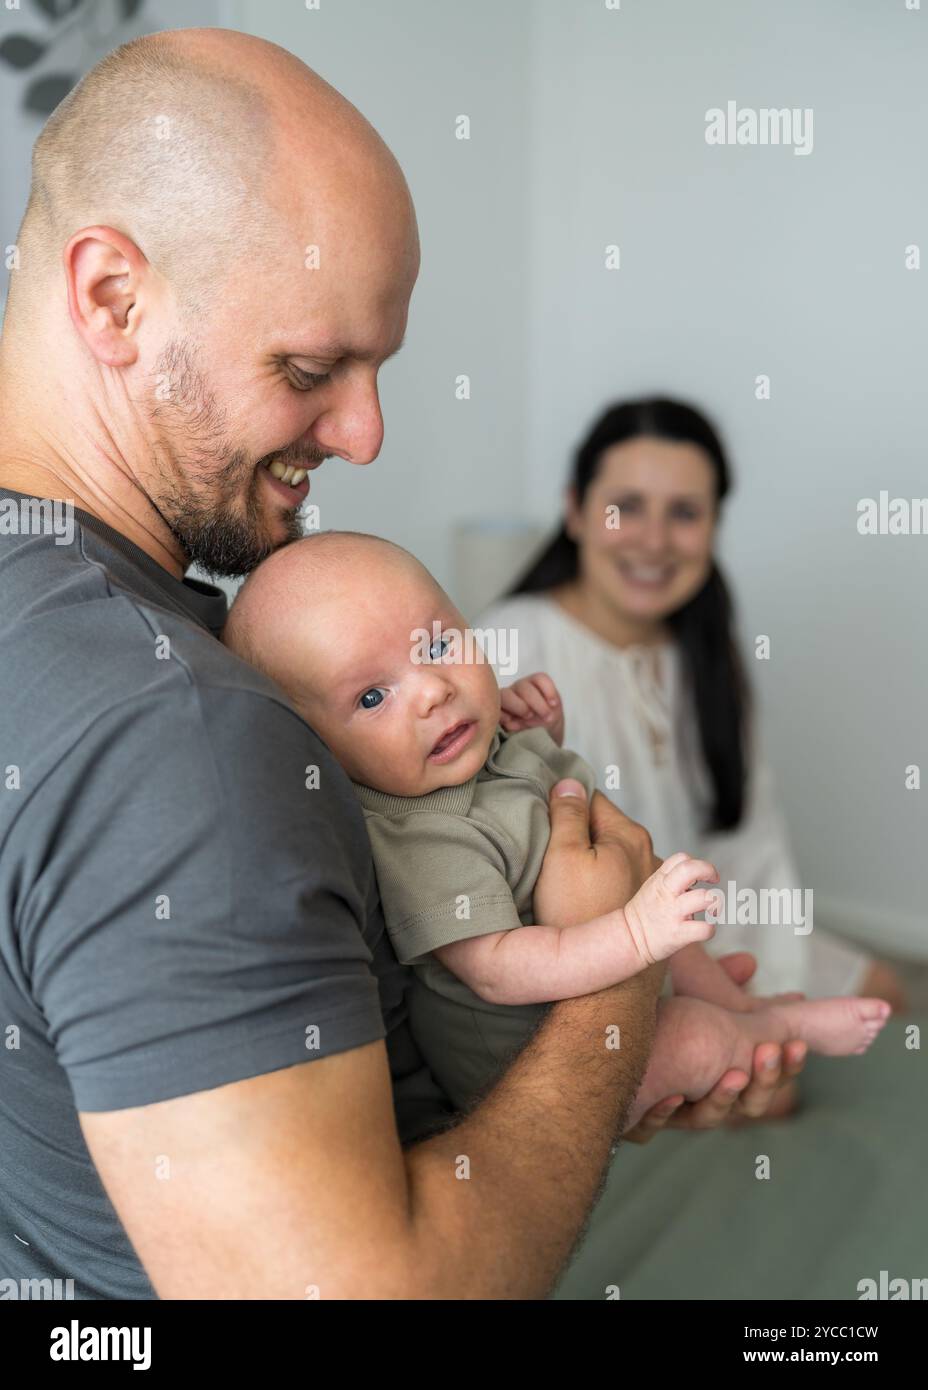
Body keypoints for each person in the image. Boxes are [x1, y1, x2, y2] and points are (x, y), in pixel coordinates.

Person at [0, 32, 799, 1302]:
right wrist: (618, 991)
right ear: (111, 298)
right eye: (311, 370)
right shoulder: (178, 725)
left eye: (377, 370)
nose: (366, 436)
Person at [224, 529, 891, 1123]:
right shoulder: (424, 842)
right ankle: (759, 1032)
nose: (432, 688)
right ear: (324, 753)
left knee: (671, 911)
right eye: (372, 697)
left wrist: (541, 739)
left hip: (597, 984)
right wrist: (635, 933)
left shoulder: (470, 755)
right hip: (533, 1075)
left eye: (437, 643)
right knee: (693, 1034)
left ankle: (746, 1010)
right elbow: (497, 971)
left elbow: (540, 810)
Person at [479, 397, 909, 1015]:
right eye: (625, 507)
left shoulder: (705, 652)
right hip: (589, 948)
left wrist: (762, 987)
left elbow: (752, 843)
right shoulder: (510, 642)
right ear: (575, 510)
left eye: (683, 513)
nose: (654, 541)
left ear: (713, 525)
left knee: (882, 998)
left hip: (714, 922)